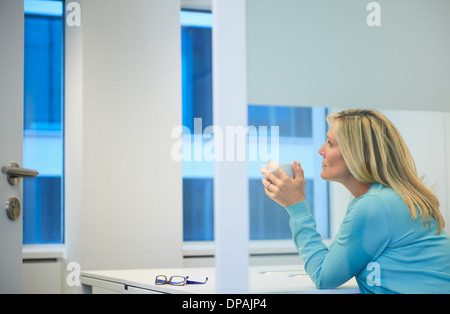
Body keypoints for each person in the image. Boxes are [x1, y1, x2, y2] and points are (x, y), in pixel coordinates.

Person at [261, 109, 450, 294]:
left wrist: (296, 206)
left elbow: (323, 276)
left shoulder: (375, 205)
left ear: (357, 154)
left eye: (330, 143)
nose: (321, 150)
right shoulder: (377, 199)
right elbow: (330, 262)